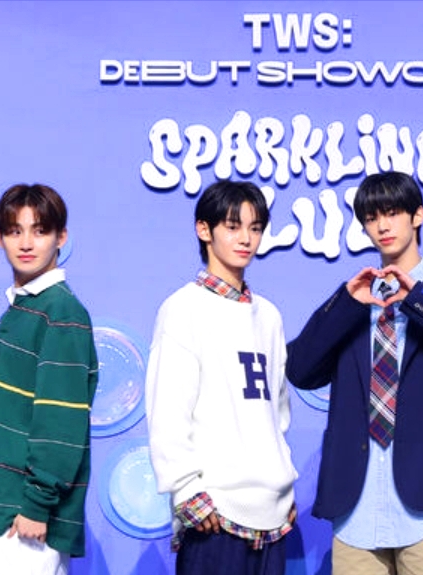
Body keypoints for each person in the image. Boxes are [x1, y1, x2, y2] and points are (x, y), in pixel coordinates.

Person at [286, 171, 423, 575]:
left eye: (392, 213)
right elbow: (300, 370)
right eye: (371, 218)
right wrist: (345, 305)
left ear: (417, 215)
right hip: (357, 505)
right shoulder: (355, 300)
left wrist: (419, 300)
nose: (382, 226)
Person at [145, 180, 297, 575]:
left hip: (274, 514)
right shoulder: (183, 309)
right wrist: (186, 491)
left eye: (255, 228)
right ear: (204, 229)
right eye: (232, 226)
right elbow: (167, 411)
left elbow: (277, 415)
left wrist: (283, 484)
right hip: (214, 513)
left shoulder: (269, 315)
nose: (246, 238)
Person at [0, 184, 99, 574]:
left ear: (61, 237)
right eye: (14, 231)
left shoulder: (62, 311)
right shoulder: (22, 309)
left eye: (39, 231)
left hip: (26, 519)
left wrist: (38, 503)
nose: (25, 243)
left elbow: (61, 418)